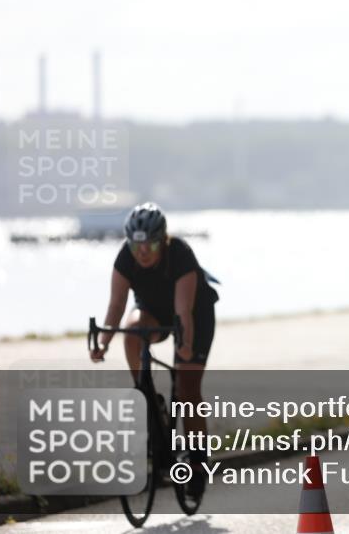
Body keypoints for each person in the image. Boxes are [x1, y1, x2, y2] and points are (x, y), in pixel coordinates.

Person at [89, 202, 218, 497]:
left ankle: (198, 465)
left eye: (150, 245)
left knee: (187, 390)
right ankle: (146, 394)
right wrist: (103, 343)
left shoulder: (180, 254)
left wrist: (184, 348)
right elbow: (116, 305)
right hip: (153, 312)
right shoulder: (125, 258)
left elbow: (183, 312)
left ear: (164, 239)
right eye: (137, 247)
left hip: (194, 316)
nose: (143, 252)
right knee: (132, 333)